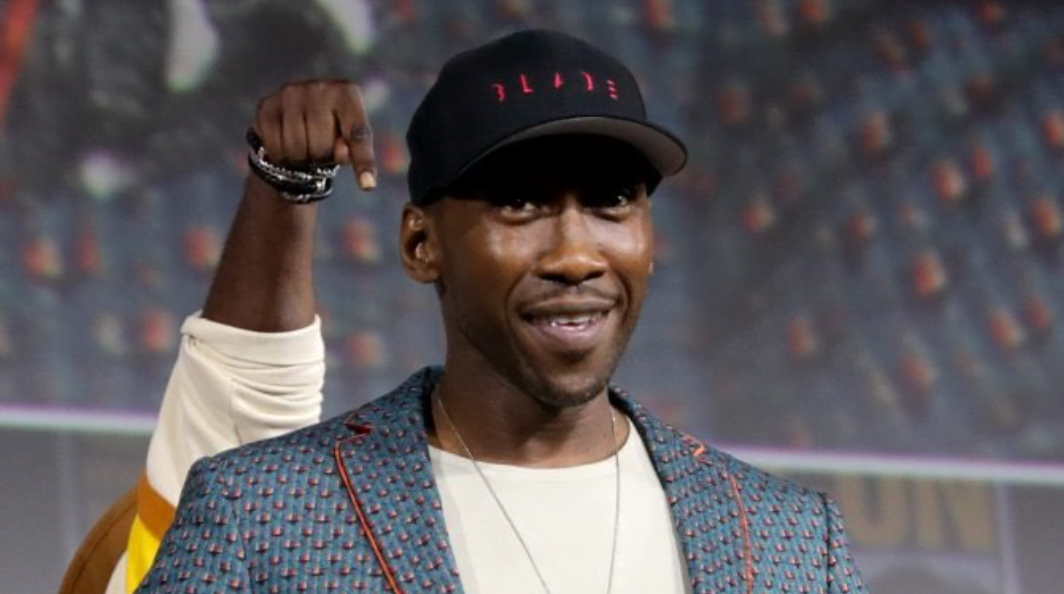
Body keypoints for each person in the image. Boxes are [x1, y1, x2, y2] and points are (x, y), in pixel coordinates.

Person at [131, 30, 867, 594]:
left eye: (613, 201)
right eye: (521, 203)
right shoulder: (262, 512)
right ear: (421, 245)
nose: (575, 254)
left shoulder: (794, 540)